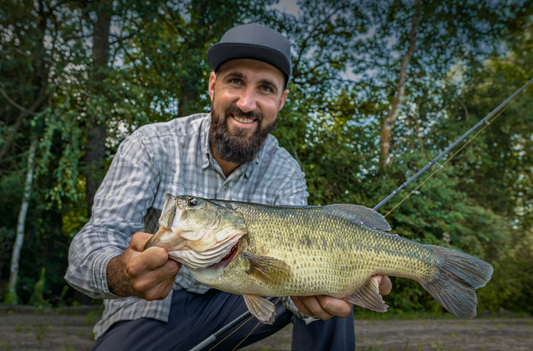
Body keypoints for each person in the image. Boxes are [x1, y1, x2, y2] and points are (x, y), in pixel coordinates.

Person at [65, 23, 392, 351]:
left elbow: (297, 273)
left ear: (281, 101)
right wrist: (121, 271)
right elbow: (91, 245)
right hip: (154, 308)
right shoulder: (151, 144)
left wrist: (314, 298)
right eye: (235, 80)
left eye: (265, 88)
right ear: (212, 85)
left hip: (242, 296)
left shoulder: (286, 170)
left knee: (333, 287)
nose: (247, 103)